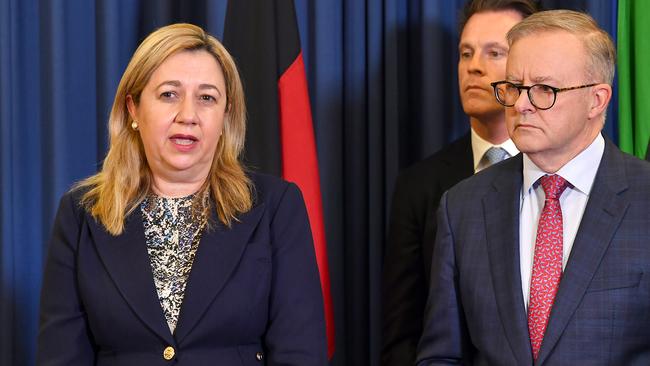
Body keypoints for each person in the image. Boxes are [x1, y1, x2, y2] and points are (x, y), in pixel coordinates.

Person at [37, 23, 327, 365]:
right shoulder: (81, 214)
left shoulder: (275, 207)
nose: (188, 116)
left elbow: (300, 353)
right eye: (168, 94)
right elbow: (61, 356)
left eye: (207, 98)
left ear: (226, 115)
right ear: (133, 108)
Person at [416, 9, 650, 365]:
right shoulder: (463, 207)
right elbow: (442, 356)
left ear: (597, 99)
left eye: (544, 89)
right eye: (514, 87)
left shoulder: (643, 197)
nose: (521, 105)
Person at [381, 1, 539, 364]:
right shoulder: (418, 186)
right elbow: (402, 332)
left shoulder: (561, 173)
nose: (474, 66)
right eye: (465, 53)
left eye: (493, 53)